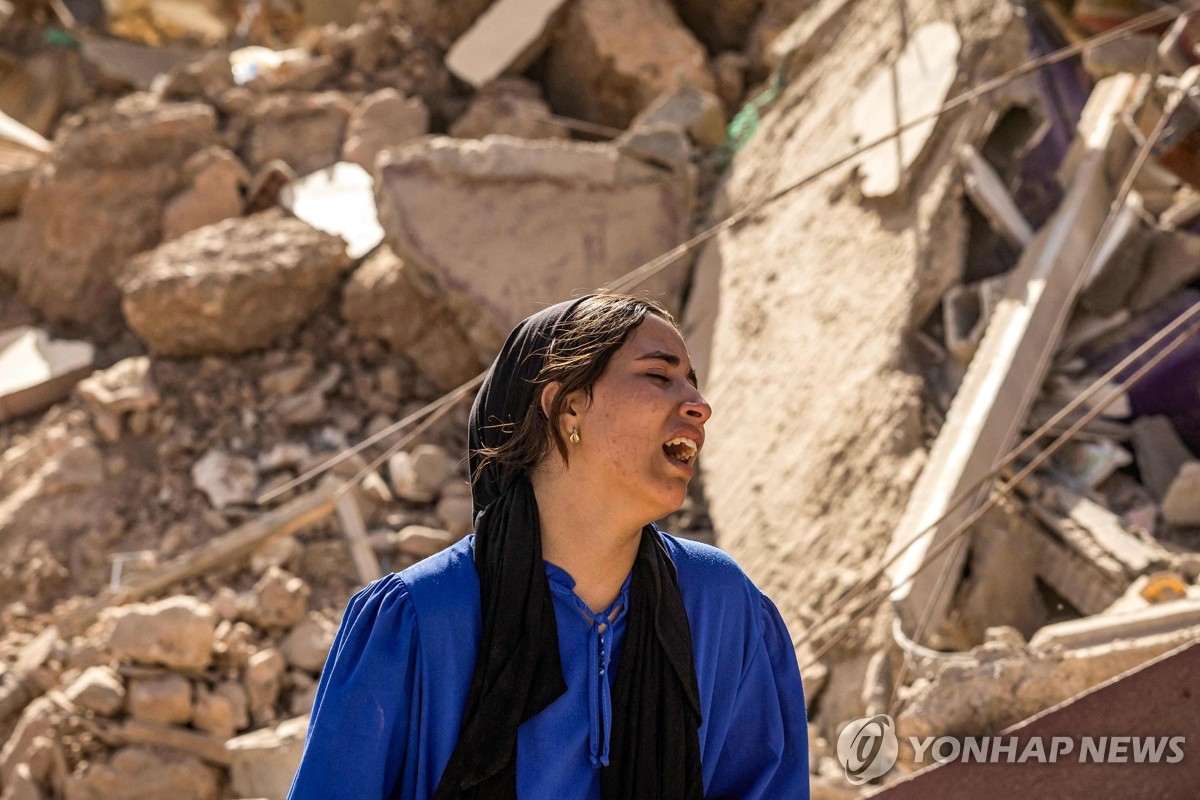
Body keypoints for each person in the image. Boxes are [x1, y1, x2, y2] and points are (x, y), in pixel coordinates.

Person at [287, 294, 809, 800]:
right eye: (659, 375)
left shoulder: (722, 607)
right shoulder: (420, 619)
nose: (699, 405)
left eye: (692, 385)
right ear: (566, 408)